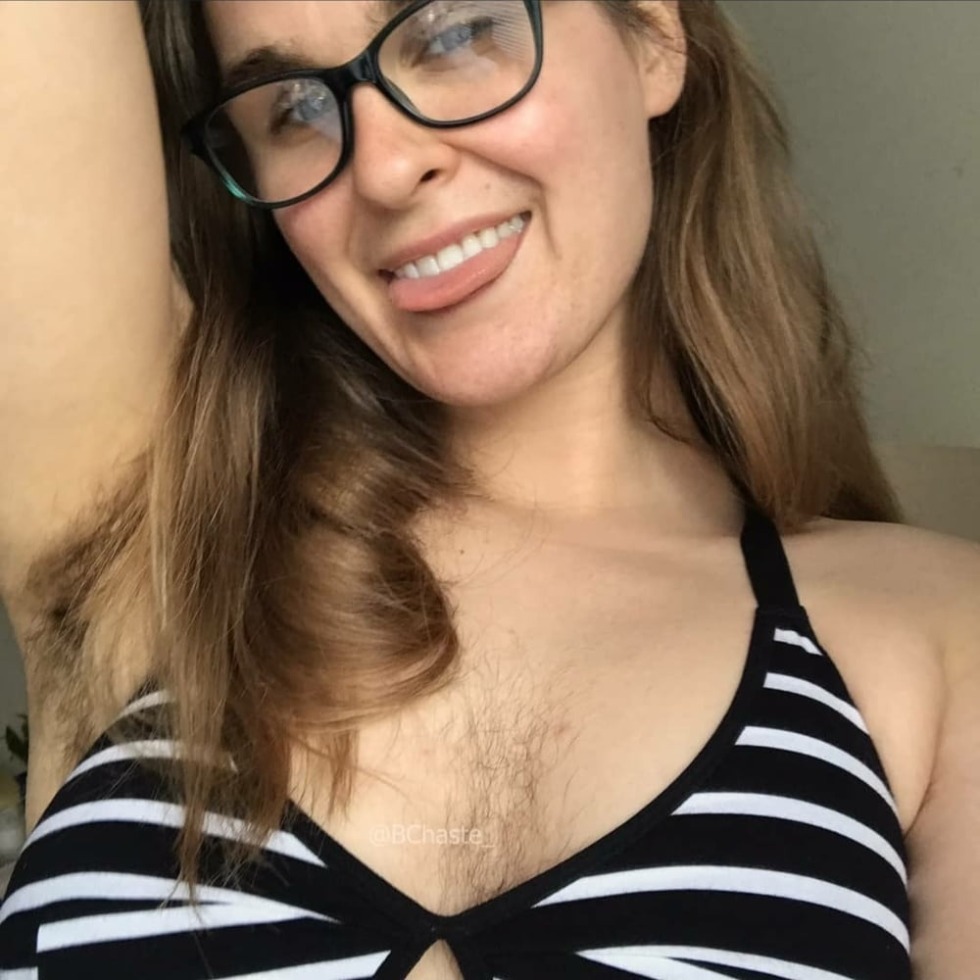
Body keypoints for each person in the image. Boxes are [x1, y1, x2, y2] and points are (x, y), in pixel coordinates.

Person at [0, 0, 977, 976]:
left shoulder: (939, 634)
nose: (384, 169)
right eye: (292, 107)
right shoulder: (157, 534)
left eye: (457, 34)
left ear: (651, 33)